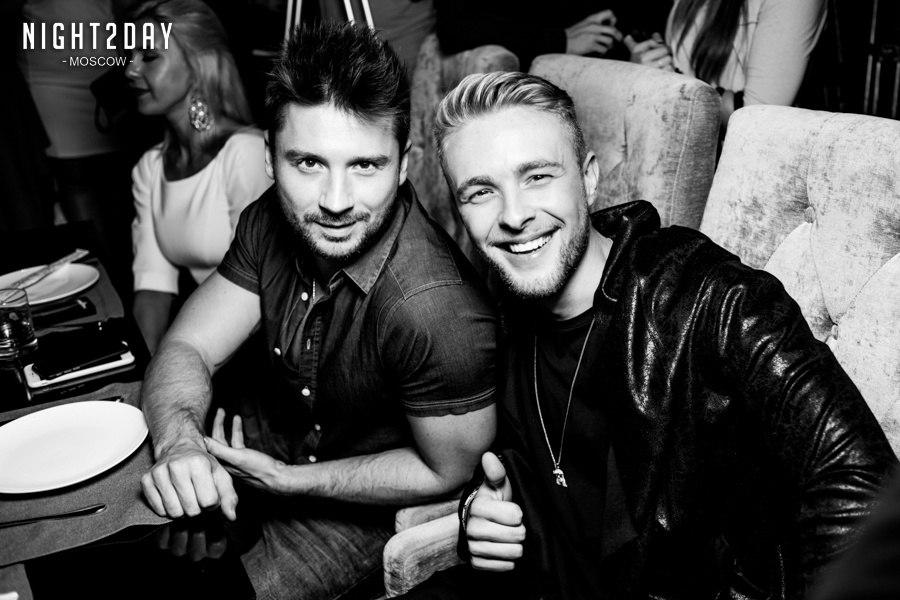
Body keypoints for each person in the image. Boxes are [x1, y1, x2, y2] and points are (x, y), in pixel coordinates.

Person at [402, 71, 897, 599]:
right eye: (481, 192)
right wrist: (478, 510)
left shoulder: (711, 299)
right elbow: (523, 467)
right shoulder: (496, 311)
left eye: (538, 177)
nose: (515, 215)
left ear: (589, 178)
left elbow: (865, 492)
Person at [139, 21, 498, 600]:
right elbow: (188, 345)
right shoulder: (269, 218)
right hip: (253, 452)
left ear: (403, 164)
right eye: (308, 163)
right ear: (269, 156)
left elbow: (447, 471)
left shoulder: (436, 310)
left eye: (365, 165)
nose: (335, 202)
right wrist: (180, 441)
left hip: (355, 511)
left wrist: (290, 481)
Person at [126, 0, 272, 353]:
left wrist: (183, 365)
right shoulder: (150, 169)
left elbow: (261, 292)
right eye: (129, 55)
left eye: (149, 56)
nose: (130, 69)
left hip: (264, 348)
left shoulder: (245, 154)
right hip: (211, 342)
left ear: (197, 63)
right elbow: (152, 289)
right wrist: (147, 371)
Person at [627, 0, 826, 125]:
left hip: (743, 165)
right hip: (679, 145)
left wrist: (669, 86)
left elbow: (756, 115)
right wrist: (642, 70)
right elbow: (676, 63)